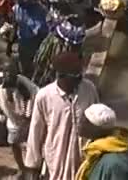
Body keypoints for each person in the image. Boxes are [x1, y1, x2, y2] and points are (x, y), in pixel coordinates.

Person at [25, 52, 99, 180]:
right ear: (61, 76)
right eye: (76, 76)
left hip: (82, 159)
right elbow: (35, 132)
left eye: (80, 74)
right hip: (55, 158)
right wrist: (33, 166)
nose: (80, 79)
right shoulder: (45, 96)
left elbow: (97, 121)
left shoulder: (89, 89)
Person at [0, 59, 39, 180]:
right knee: (13, 143)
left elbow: (33, 98)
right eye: (6, 72)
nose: (9, 75)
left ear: (16, 73)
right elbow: (2, 97)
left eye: (12, 72)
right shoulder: (1, 86)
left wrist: (27, 115)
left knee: (33, 145)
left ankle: (33, 171)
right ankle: (21, 168)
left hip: (28, 120)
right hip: (13, 120)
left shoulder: (25, 86)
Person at [75, 104, 128, 180]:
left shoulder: (115, 163)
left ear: (96, 128)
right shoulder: (97, 152)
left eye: (85, 120)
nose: (79, 122)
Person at [10, 0, 49, 77]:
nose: (23, 6)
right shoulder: (17, 8)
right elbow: (15, 25)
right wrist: (10, 43)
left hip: (37, 41)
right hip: (23, 41)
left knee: (37, 66)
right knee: (24, 65)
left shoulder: (41, 10)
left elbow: (44, 30)